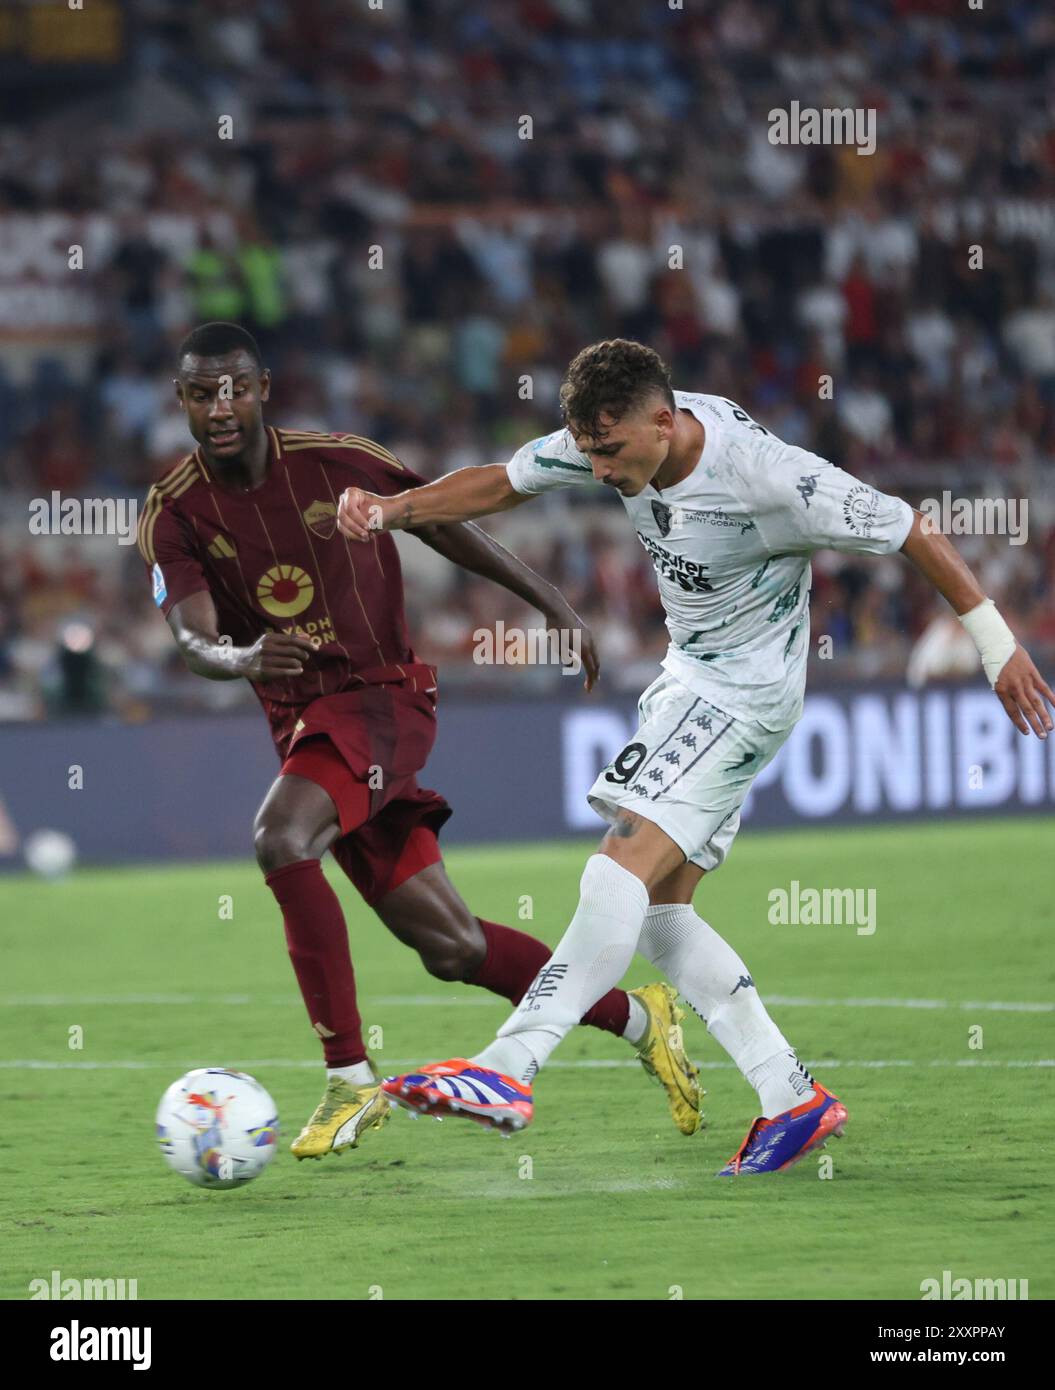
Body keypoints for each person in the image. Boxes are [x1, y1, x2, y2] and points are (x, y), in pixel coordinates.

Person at [336, 337, 1054, 1174]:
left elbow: (910, 529)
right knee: (662, 916)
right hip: (692, 678)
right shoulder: (609, 440)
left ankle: (506, 1067)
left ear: (663, 422)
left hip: (742, 694)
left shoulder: (771, 479)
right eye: (588, 451)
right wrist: (392, 511)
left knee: (616, 868)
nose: (598, 470)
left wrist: (995, 645)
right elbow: (501, 480)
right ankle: (792, 1097)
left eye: (609, 451)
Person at [137, 324, 703, 1161]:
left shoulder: (335, 461)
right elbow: (193, 641)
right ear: (182, 401)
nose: (220, 409)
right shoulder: (175, 510)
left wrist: (549, 600)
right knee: (451, 946)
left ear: (263, 388)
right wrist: (244, 656)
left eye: (235, 389)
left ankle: (348, 1079)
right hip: (303, 730)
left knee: (281, 838)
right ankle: (636, 1016)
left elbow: (439, 521)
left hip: (378, 701)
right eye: (199, 393)